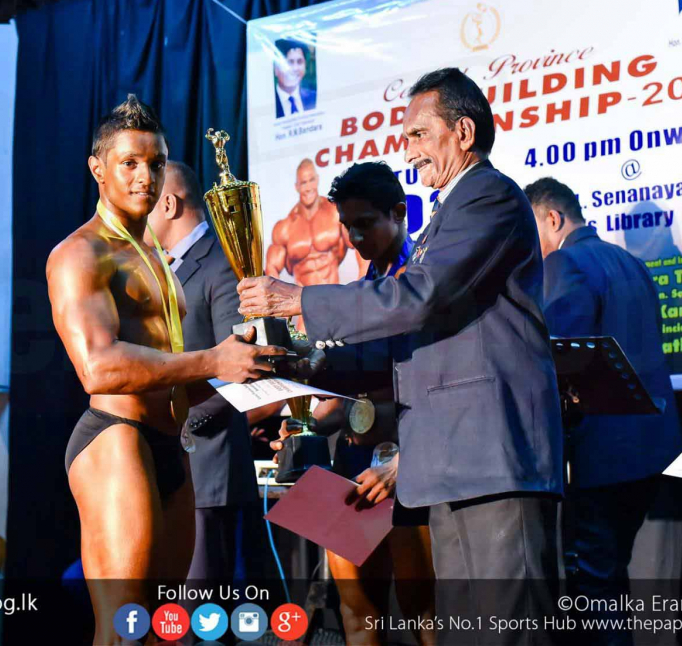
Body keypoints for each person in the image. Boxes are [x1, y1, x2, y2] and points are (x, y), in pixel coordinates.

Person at [239, 68, 564, 644]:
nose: (407, 149)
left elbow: (421, 296)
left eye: (418, 134)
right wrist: (297, 365)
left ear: (463, 132)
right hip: (453, 466)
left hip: (493, 459)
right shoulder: (450, 212)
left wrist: (299, 299)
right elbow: (400, 349)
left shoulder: (487, 194)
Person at [46, 95, 286, 642]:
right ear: (98, 168)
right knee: (123, 629)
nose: (145, 177)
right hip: (116, 439)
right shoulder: (81, 254)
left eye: (155, 163)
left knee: (162, 629)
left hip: (172, 446)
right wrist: (215, 359)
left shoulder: (153, 256)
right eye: (129, 163)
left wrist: (248, 366)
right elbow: (98, 369)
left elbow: (172, 374)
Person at [273, 161, 435, 646]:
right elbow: (351, 398)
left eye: (366, 224)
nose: (356, 238)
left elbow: (439, 388)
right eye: (348, 226)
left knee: (425, 611)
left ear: (399, 213)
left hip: (409, 466)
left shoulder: (425, 288)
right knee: (357, 610)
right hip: (352, 465)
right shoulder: (358, 295)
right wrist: (309, 424)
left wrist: (408, 461)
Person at [525, 177, 682, 645]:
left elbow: (564, 362)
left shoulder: (564, 262)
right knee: (610, 580)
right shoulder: (631, 263)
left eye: (531, 230)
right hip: (651, 453)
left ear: (553, 219)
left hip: (599, 456)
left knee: (594, 589)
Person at [145, 160, 263, 586]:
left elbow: (242, 367)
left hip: (207, 467)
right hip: (166, 464)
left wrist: (175, 421)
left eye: (145, 203)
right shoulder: (162, 270)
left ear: (168, 204)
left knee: (199, 605)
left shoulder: (223, 264)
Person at [265, 159, 355, 286]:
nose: (308, 188)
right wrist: (280, 296)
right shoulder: (284, 228)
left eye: (311, 180)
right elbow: (271, 268)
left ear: (317, 180)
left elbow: (361, 243)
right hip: (302, 297)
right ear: (297, 187)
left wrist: (364, 285)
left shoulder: (336, 212)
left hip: (334, 293)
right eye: (303, 183)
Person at [273, 38, 316, 117]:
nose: (295, 68)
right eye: (289, 63)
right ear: (276, 69)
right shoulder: (269, 104)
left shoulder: (314, 97)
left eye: (300, 62)